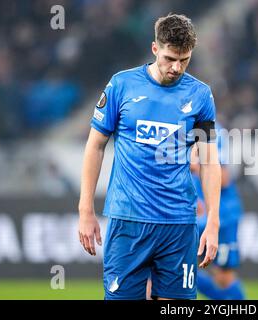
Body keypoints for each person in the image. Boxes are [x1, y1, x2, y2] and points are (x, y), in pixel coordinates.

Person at [78, 13, 221, 300]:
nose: (176, 67)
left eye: (184, 60)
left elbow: (208, 160)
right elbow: (95, 146)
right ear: (155, 48)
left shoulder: (201, 96)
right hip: (128, 220)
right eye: (170, 58)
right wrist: (85, 210)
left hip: (178, 223)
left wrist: (214, 223)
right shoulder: (121, 86)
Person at [190, 123, 246, 300]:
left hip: (222, 214)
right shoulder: (180, 128)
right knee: (175, 266)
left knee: (223, 276)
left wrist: (194, 166)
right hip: (197, 215)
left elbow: (224, 178)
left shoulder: (213, 132)